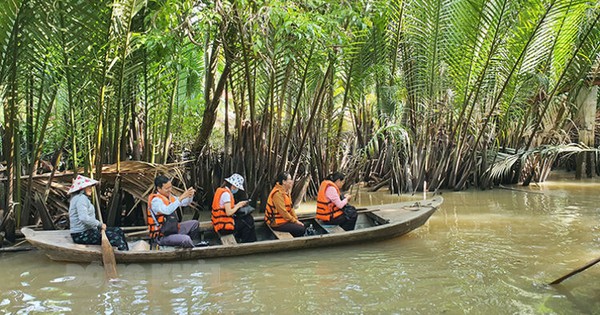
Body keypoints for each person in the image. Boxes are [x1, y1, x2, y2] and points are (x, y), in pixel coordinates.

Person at [68, 175, 128, 250]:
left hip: (88, 231)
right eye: (89, 187)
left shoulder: (79, 198)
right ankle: (125, 256)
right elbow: (84, 218)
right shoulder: (81, 199)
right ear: (82, 188)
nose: (91, 189)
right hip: (81, 234)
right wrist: (99, 224)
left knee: (118, 231)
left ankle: (128, 253)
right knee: (116, 238)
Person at [147, 175, 199, 248]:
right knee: (186, 239)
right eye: (167, 188)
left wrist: (190, 196)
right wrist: (182, 197)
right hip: (162, 236)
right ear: (159, 188)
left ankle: (197, 245)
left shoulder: (169, 197)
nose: (170, 190)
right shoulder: (155, 201)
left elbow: (184, 202)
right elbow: (167, 210)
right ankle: (193, 249)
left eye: (170, 187)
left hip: (173, 229)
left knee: (194, 224)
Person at [211, 174, 256, 243]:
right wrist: (238, 206)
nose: (237, 189)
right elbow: (229, 213)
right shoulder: (226, 194)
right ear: (233, 186)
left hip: (218, 223)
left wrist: (238, 205)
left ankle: (242, 239)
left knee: (246, 219)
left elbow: (225, 209)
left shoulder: (221, 190)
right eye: (237, 187)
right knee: (249, 220)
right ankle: (248, 242)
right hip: (224, 227)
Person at [264, 172, 305, 237]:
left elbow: (291, 208)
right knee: (301, 229)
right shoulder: (277, 194)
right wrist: (295, 221)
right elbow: (283, 212)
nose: (291, 181)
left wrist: (296, 219)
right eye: (290, 179)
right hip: (276, 223)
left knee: (301, 224)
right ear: (284, 182)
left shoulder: (286, 191)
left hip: (283, 220)